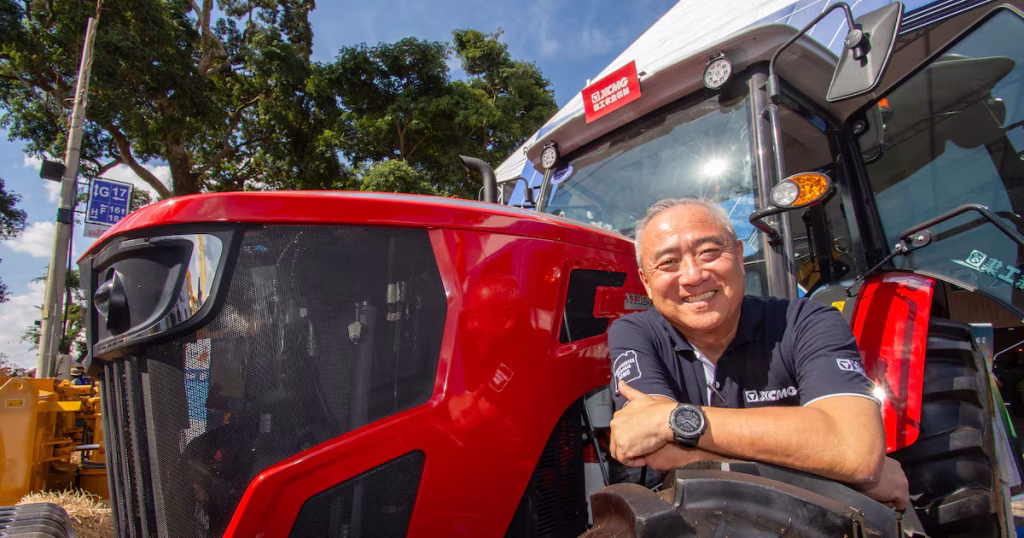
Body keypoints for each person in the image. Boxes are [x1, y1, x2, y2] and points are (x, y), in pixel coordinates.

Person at [608, 197, 910, 510]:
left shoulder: (807, 321)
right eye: (668, 262)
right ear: (646, 282)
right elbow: (656, 451)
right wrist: (835, 476)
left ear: (739, 256)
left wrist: (675, 420)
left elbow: (854, 448)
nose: (693, 275)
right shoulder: (635, 332)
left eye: (709, 252)